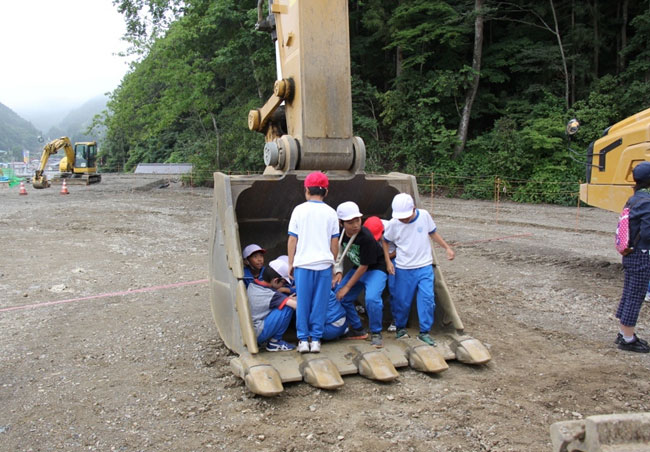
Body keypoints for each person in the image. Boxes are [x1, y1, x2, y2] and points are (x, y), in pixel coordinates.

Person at [382, 193, 455, 346]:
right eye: (400, 217)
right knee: (402, 301)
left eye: (405, 216)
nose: (403, 219)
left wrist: (446, 248)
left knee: (427, 298)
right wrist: (388, 261)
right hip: (403, 268)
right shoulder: (394, 224)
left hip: (424, 266)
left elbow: (433, 233)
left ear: (413, 209)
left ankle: (424, 332)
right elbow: (385, 241)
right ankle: (400, 328)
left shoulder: (424, 216)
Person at [288, 171, 340, 354]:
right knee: (320, 303)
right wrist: (332, 263)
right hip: (324, 265)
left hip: (303, 265)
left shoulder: (298, 210)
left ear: (306, 190)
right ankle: (316, 340)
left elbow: (292, 240)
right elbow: (335, 242)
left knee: (303, 302)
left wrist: (291, 263)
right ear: (325, 192)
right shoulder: (331, 213)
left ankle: (303, 340)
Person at [333, 202, 388, 348]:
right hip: (359, 266)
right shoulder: (339, 234)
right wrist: (338, 272)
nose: (356, 225)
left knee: (372, 298)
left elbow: (364, 267)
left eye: (357, 220)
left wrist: (347, 287)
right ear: (341, 223)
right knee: (340, 296)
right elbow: (337, 254)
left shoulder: (366, 237)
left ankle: (376, 332)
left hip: (375, 267)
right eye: (350, 222)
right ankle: (358, 329)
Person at [615, 161, 650, 353]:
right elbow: (647, 234)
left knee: (630, 292)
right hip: (641, 254)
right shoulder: (647, 202)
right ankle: (628, 338)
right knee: (635, 295)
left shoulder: (634, 199)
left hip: (629, 253)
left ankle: (624, 332)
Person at [246, 258, 297, 352]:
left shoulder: (253, 284)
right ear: (275, 280)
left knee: (285, 301)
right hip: (258, 332)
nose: (284, 285)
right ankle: (275, 342)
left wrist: (288, 298)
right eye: (283, 282)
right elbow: (296, 306)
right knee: (287, 307)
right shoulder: (271, 295)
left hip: (251, 330)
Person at [363, 216, 397, 332]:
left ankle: (397, 319)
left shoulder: (393, 228)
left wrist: (386, 259)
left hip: (394, 256)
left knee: (394, 286)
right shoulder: (365, 230)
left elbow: (402, 248)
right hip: (378, 257)